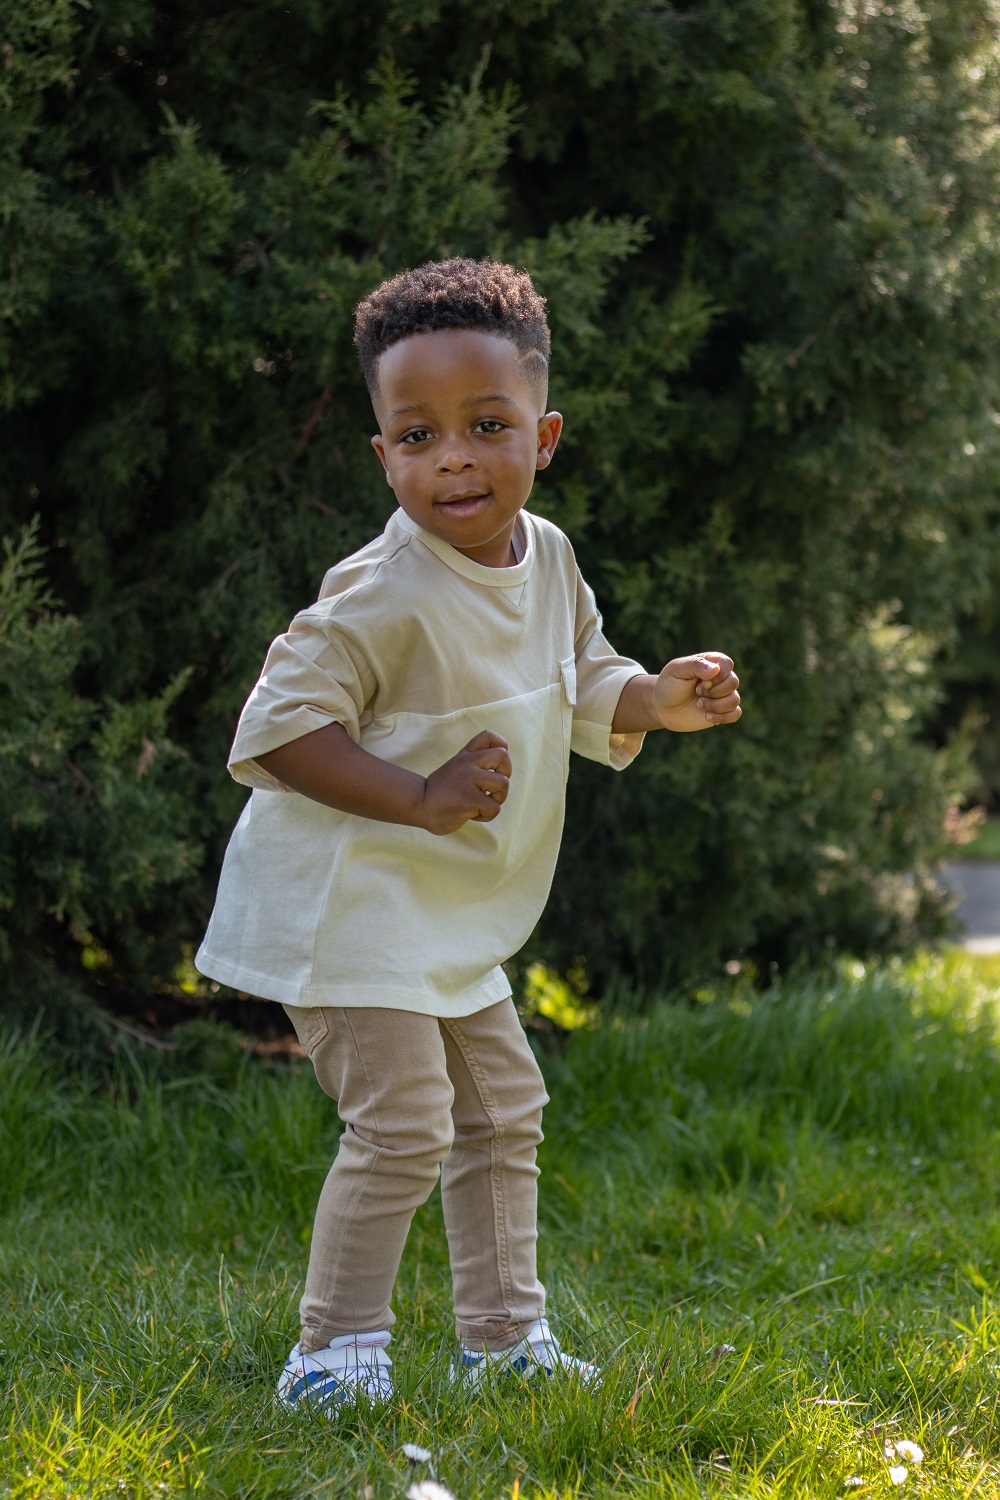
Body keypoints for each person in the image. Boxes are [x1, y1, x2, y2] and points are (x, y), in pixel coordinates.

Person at [195, 257, 742, 1412]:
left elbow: (581, 673)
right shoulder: (375, 594)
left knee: (503, 1110)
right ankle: (333, 1355)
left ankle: (502, 1339)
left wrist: (656, 698)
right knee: (401, 1123)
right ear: (382, 453)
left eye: (485, 426)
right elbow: (277, 729)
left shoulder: (546, 557)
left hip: (442, 913)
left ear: (541, 436)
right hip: (343, 907)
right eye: (417, 434)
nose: (453, 456)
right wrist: (420, 795)